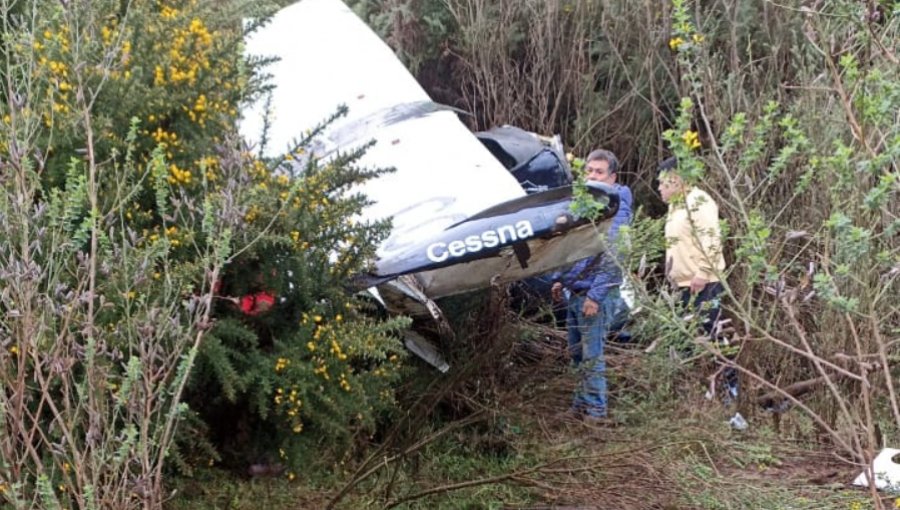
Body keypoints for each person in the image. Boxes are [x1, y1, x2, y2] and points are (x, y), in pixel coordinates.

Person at [551, 149, 633, 419]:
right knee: (576, 355)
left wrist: (595, 296)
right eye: (589, 171)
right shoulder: (586, 202)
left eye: (599, 172)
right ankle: (580, 406)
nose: (593, 176)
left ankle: (596, 413)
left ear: (612, 177)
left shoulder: (616, 203)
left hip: (595, 294)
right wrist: (560, 280)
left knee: (591, 356)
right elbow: (572, 245)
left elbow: (615, 251)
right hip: (576, 291)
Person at [657, 157, 736, 400]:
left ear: (677, 179)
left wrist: (702, 273)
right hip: (682, 285)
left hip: (704, 284)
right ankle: (701, 392)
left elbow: (711, 240)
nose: (659, 188)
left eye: (662, 182)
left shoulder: (698, 202)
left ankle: (730, 390)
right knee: (691, 340)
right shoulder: (676, 206)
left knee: (712, 335)